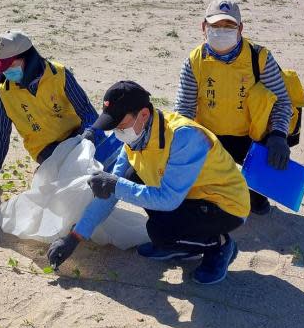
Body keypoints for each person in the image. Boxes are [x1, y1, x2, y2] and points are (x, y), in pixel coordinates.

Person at [46, 81, 250, 285]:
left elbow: (167, 199)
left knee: (160, 233)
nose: (117, 130)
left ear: (143, 114)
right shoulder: (135, 138)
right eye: (112, 125)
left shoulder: (184, 136)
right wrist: (75, 237)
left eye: (120, 123)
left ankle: (219, 245)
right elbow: (111, 192)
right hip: (188, 197)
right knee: (129, 175)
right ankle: (180, 244)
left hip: (225, 206)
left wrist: (116, 185)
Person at [173, 0, 292, 215]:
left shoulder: (260, 58)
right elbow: (183, 110)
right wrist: (181, 146)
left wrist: (278, 135)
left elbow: (283, 101)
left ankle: (255, 190)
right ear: (203, 28)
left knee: (257, 205)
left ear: (240, 29)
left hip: (252, 138)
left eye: (229, 26)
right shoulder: (194, 61)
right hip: (210, 138)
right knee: (205, 200)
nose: (221, 32)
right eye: (215, 26)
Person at [0, 29, 112, 204]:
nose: (6, 72)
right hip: (46, 150)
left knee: (104, 166)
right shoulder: (4, 95)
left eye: (10, 66)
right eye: (3, 68)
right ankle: (46, 173)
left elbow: (86, 111)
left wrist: (92, 137)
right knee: (65, 182)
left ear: (27, 58)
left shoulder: (59, 75)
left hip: (77, 136)